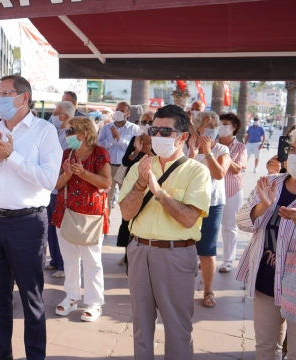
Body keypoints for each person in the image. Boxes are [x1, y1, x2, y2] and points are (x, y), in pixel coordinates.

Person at [0, 75, 62, 360]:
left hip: (27, 223)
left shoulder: (44, 131)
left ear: (24, 97)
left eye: (5, 93)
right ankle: (1, 354)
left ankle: (35, 356)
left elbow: (49, 180)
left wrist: (12, 156)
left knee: (31, 297)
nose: (0, 99)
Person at [119, 104, 212, 359]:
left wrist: (159, 193)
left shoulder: (197, 171)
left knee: (178, 327)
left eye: (165, 131)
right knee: (141, 325)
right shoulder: (141, 166)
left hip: (175, 254)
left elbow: (188, 218)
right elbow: (126, 213)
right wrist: (140, 184)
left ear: (183, 137)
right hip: (139, 251)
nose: (157, 136)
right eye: (154, 130)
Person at [236, 125, 296, 359]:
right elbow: (242, 222)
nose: (295, 155)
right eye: (293, 149)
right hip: (266, 278)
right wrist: (263, 206)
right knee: (266, 346)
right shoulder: (271, 183)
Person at [51, 116, 111, 322]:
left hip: (89, 216)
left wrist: (83, 173)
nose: (67, 136)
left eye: (71, 131)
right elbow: (57, 185)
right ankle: (72, 296)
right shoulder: (67, 153)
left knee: (92, 261)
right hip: (65, 213)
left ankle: (95, 303)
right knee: (69, 259)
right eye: (67, 132)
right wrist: (67, 175)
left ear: (84, 133)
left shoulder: (99, 153)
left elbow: (106, 181)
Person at [187, 111, 231, 308]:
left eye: (215, 124)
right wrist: (192, 155)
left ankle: (208, 290)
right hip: (190, 204)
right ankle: (182, 288)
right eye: (208, 124)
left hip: (212, 204)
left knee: (207, 250)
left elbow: (219, 174)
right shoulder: (188, 147)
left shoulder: (222, 149)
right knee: (185, 248)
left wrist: (208, 152)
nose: (213, 127)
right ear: (198, 128)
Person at [116, 111, 155, 263]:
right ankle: (127, 255)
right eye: (143, 122)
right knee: (128, 219)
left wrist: (149, 153)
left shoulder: (159, 141)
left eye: (150, 122)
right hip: (132, 185)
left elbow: (161, 163)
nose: (146, 125)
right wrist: (136, 152)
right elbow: (126, 161)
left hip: (151, 187)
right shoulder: (135, 139)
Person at [44, 101, 74, 278]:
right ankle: (55, 260)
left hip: (62, 187)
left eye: (56, 113)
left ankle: (63, 265)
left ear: (67, 116)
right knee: (51, 226)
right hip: (50, 186)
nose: (53, 116)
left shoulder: (71, 136)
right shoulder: (54, 132)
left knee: (61, 228)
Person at [217, 113, 247, 273]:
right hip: (212, 189)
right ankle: (206, 256)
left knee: (229, 227)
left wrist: (223, 156)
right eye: (220, 123)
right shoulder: (211, 144)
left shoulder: (240, 147)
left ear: (234, 127)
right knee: (209, 225)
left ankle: (228, 261)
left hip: (232, 190)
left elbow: (237, 169)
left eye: (226, 124)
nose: (222, 126)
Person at [98, 101, 139, 207]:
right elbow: (99, 147)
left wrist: (119, 139)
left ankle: (125, 222)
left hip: (124, 168)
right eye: (117, 110)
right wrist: (111, 139)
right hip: (108, 167)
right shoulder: (106, 128)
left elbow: (134, 149)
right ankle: (106, 223)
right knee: (107, 200)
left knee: (126, 198)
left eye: (122, 111)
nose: (118, 112)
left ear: (128, 114)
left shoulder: (133, 129)